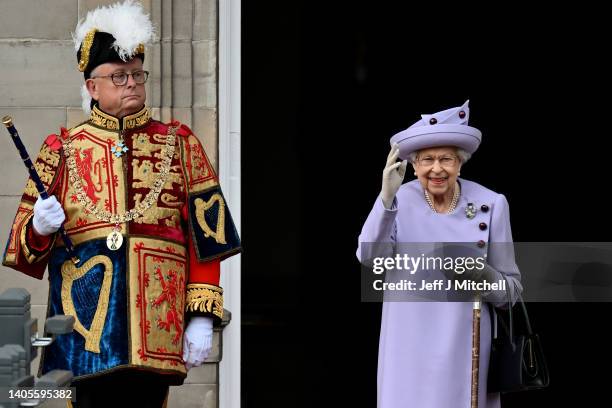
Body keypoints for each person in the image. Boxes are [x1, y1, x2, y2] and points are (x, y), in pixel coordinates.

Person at [1, 1, 240, 407]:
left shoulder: (180, 143)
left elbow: (208, 236)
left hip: (156, 328)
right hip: (84, 330)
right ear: (92, 87)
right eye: (119, 76)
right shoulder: (60, 150)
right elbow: (22, 250)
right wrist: (39, 227)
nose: (131, 83)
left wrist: (200, 314)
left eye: (137, 75)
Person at [356, 100, 522, 407]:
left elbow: (510, 293)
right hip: (407, 352)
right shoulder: (398, 201)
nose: (436, 169)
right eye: (427, 160)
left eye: (446, 159)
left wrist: (484, 276)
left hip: (466, 352)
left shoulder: (492, 204)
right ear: (414, 165)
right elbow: (369, 257)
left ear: (461, 161)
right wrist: (386, 196)